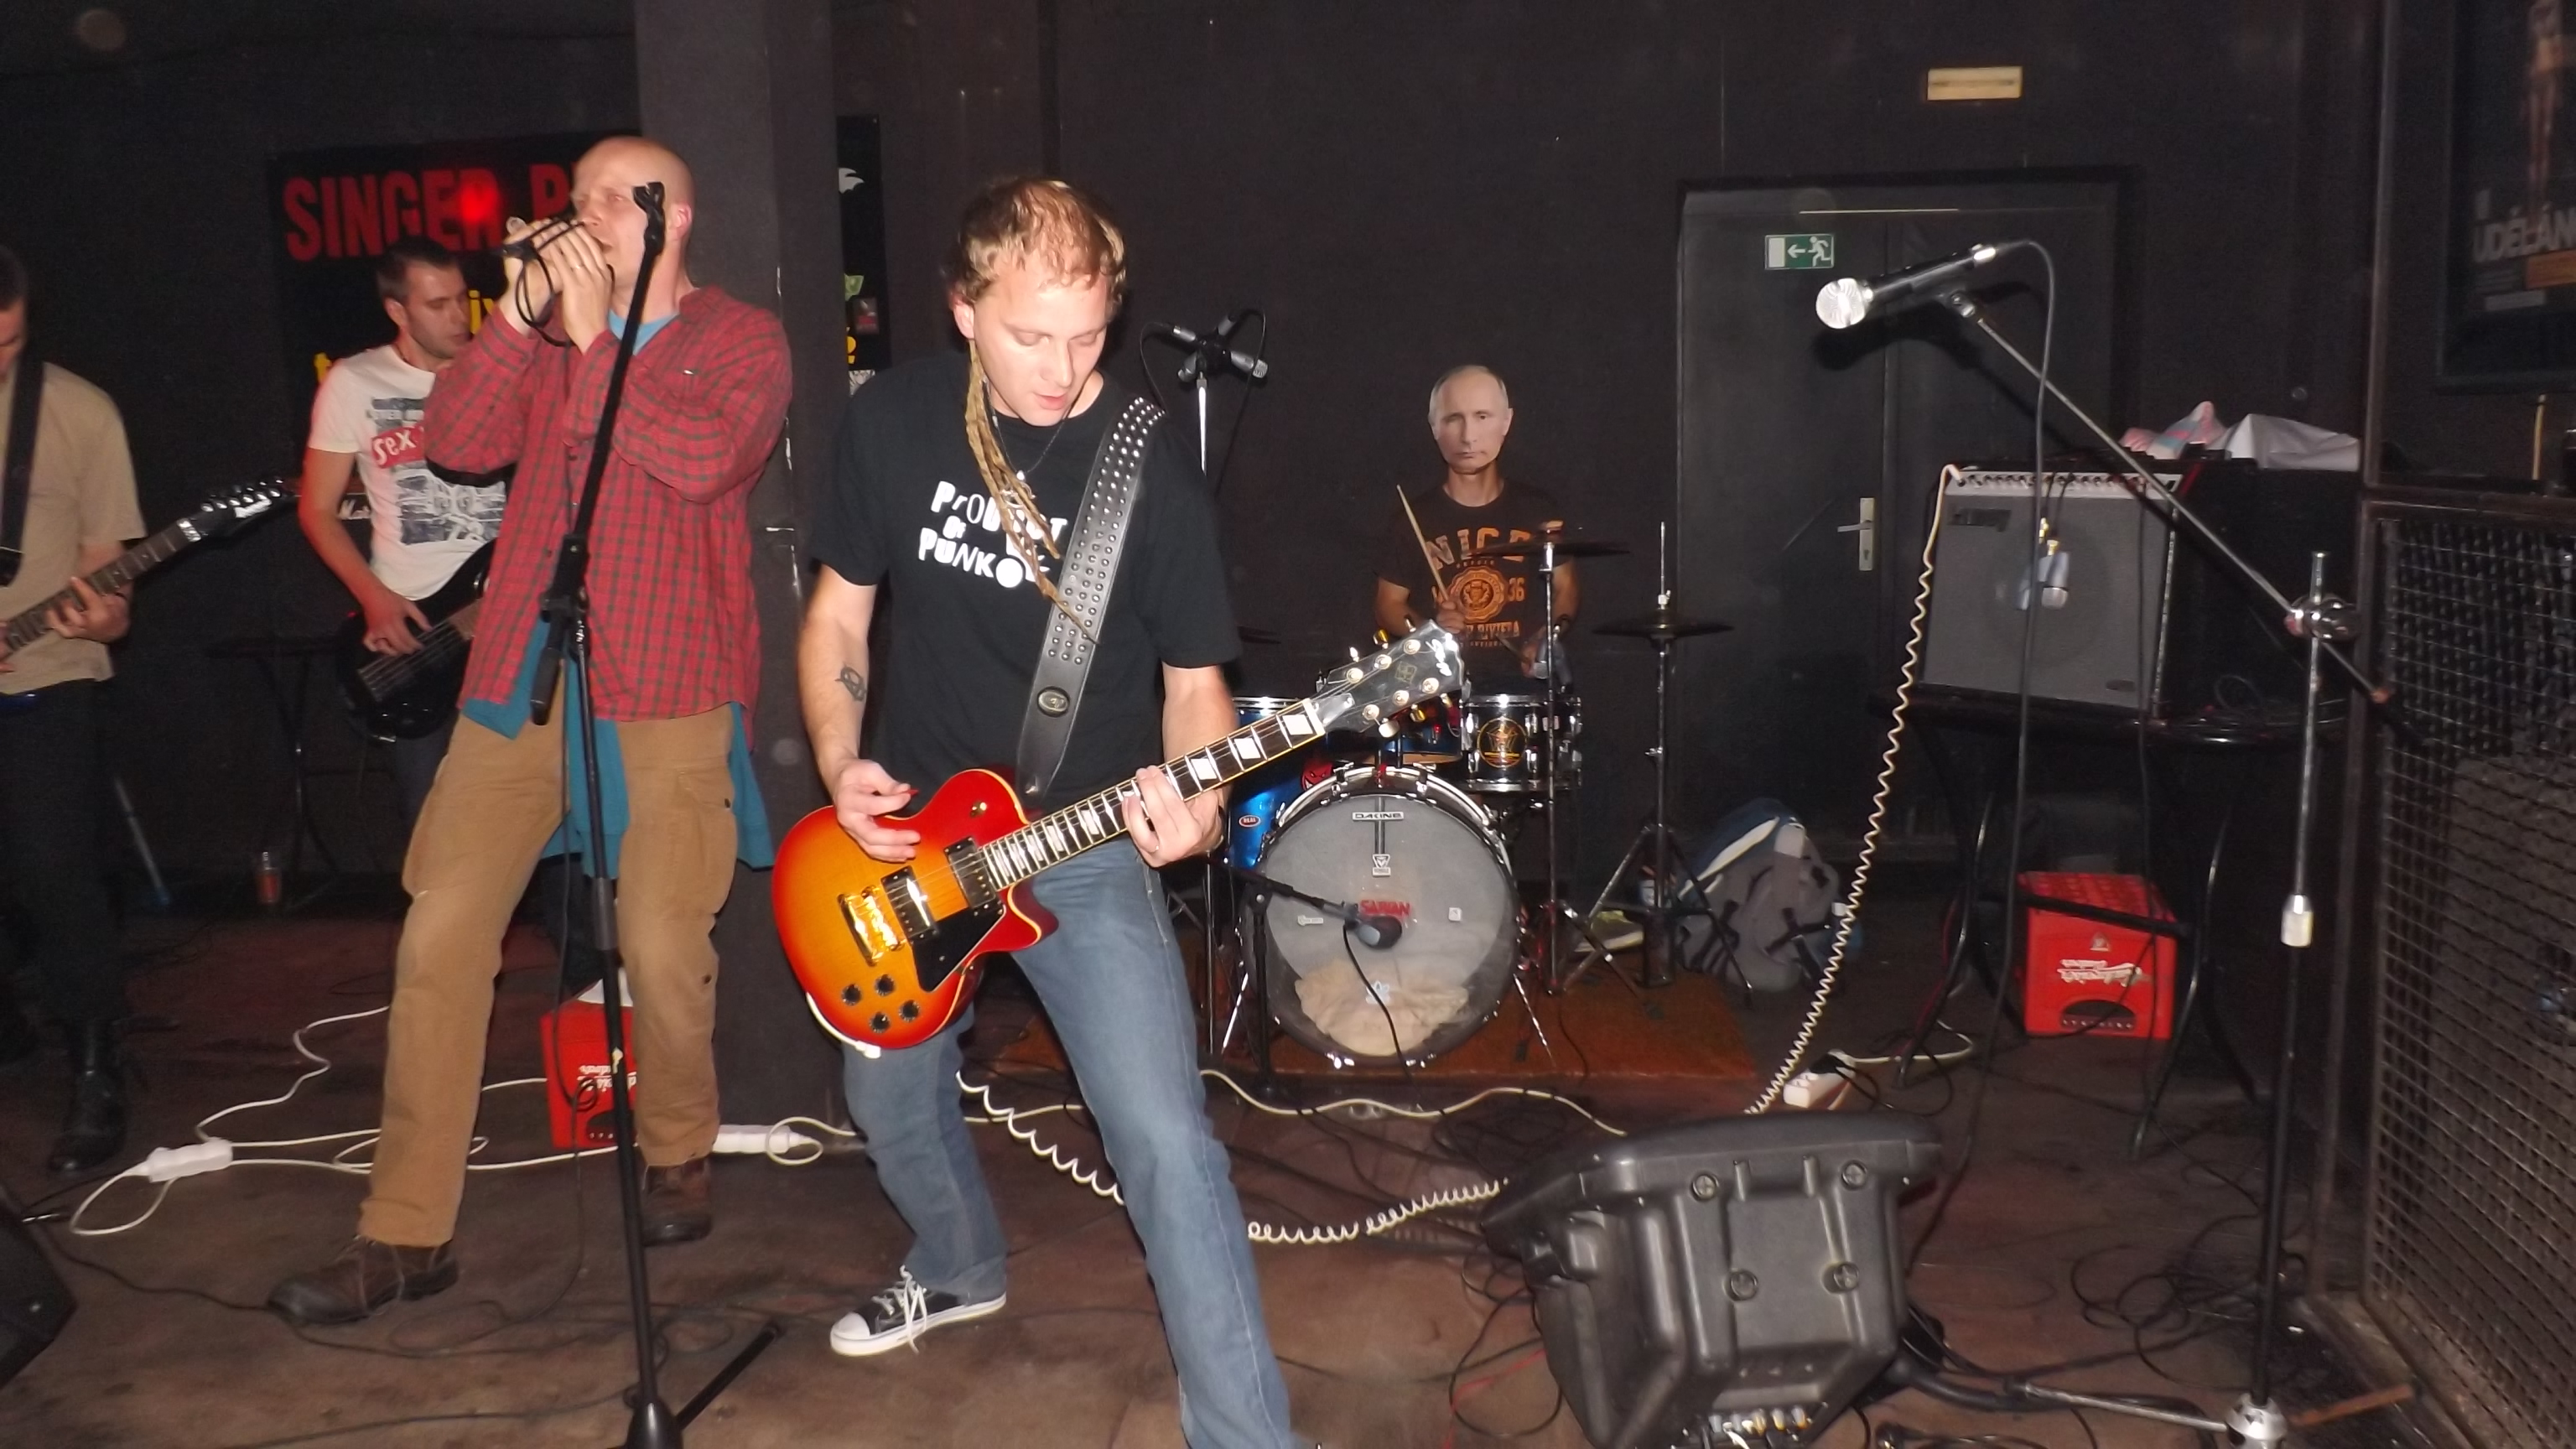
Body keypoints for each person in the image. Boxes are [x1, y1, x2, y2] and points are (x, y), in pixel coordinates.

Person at [797, 178, 1301, 1449]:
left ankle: (1248, 1437)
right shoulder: (893, 422)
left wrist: (1200, 798)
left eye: (1090, 337)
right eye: (1032, 336)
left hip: (1076, 849)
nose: (1064, 370)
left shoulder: (1146, 467)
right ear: (964, 309)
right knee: (886, 1099)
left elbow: (1195, 685)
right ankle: (958, 1262)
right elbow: (840, 614)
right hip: (912, 837)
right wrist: (840, 759)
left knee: (1167, 1144)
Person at [267, 137, 791, 1325]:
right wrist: (519, 319)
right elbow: (456, 443)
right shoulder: (544, 336)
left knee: (661, 937)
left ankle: (676, 1143)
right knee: (440, 935)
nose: (581, 217)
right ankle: (405, 1231)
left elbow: (705, 460)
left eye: (610, 200)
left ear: (674, 215)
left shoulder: (739, 338)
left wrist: (600, 338)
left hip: (669, 672)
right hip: (522, 673)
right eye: (575, 199)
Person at [0, 245, 144, 1173]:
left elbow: (108, 581)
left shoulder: (78, 411)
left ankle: (98, 1069)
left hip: (45, 674)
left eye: (10, 341)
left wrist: (108, 614)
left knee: (57, 874)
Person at [296, 235, 504, 824]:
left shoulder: (499, 372)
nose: (459, 315)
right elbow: (316, 510)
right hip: (417, 626)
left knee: (519, 810)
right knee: (432, 820)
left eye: (461, 298)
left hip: (503, 615)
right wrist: (374, 600)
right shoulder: (354, 382)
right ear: (397, 310)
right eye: (437, 304)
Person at [1370, 365, 1580, 687]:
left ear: (1506, 421)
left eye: (1482, 416)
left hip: (1522, 689)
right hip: (1444, 688)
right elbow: (1388, 604)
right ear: (1434, 427)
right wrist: (1430, 631)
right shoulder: (1412, 519)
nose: (1468, 436)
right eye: (1453, 419)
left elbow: (1566, 587)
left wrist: (1545, 637)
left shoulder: (1537, 510)